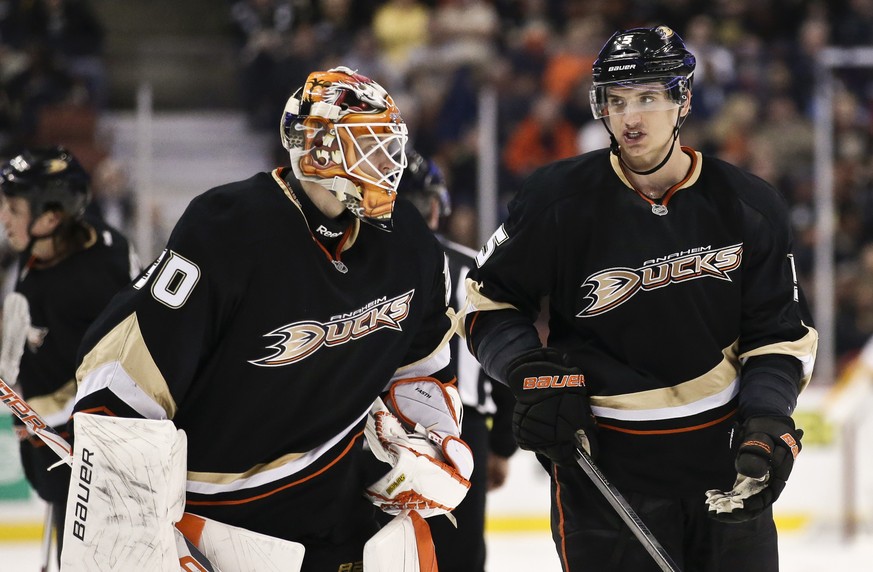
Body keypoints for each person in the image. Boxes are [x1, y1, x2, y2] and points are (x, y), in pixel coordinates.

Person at [69, 66, 472, 572]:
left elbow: (420, 365)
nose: (388, 164)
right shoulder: (229, 231)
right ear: (318, 148)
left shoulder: (408, 242)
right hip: (220, 529)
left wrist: (428, 440)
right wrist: (144, 545)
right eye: (369, 143)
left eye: (388, 145)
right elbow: (123, 393)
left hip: (341, 519)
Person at [462, 25, 818, 572]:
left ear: (684, 101)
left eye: (649, 98)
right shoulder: (556, 201)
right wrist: (528, 371)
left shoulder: (748, 205)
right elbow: (485, 306)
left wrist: (767, 421)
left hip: (722, 465)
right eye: (617, 100)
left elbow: (779, 336)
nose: (631, 118)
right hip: (602, 469)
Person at [0, 146, 139, 564]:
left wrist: (30, 412)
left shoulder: (86, 283)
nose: (4, 217)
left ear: (50, 216)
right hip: (60, 440)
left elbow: (110, 377)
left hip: (86, 452)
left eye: (13, 207)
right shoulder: (62, 244)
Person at [394, 149, 517, 572]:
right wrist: (502, 443)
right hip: (466, 432)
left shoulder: (364, 265)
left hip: (386, 425)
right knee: (459, 555)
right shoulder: (475, 267)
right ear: (436, 208)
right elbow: (504, 357)